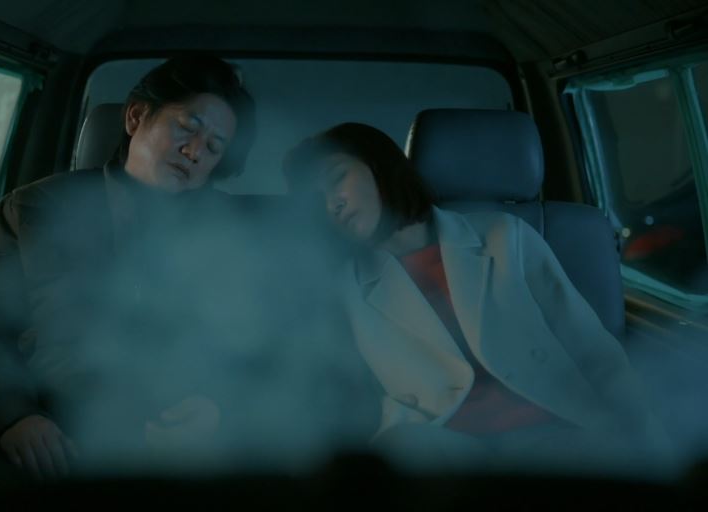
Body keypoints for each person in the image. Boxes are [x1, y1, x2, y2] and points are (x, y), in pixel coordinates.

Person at [282, 122, 671, 473]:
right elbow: (334, 395)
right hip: (442, 449)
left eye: (337, 178)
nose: (331, 203)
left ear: (378, 166)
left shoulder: (505, 237)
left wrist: (649, 442)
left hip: (554, 433)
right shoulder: (343, 287)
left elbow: (590, 348)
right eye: (315, 199)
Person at [0, 55, 256, 479]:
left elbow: (264, 345)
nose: (195, 151)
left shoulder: (235, 234)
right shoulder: (34, 209)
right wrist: (14, 417)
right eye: (187, 126)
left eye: (215, 147)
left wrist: (219, 409)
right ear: (136, 116)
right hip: (56, 441)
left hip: (183, 453)